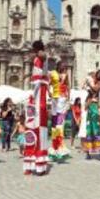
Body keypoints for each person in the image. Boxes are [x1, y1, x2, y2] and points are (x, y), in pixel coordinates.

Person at [23, 40, 50, 176]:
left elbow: (44, 58)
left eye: (34, 50)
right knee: (32, 125)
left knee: (39, 126)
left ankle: (39, 163)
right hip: (36, 94)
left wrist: (40, 52)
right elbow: (39, 71)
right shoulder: (37, 59)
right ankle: (32, 162)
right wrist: (29, 75)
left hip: (40, 94)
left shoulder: (41, 56)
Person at [49, 61, 71, 161]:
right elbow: (48, 83)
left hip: (62, 98)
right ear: (58, 66)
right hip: (54, 97)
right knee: (54, 120)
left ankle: (60, 146)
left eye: (64, 66)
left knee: (59, 121)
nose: (64, 67)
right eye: (62, 65)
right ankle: (54, 146)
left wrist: (68, 98)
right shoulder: (53, 73)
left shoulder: (65, 75)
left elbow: (68, 86)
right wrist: (49, 92)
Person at [83, 70, 100, 160]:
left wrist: (89, 84)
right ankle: (89, 152)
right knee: (89, 130)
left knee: (96, 130)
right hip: (91, 107)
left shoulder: (99, 83)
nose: (96, 76)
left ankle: (99, 152)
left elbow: (95, 89)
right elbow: (90, 93)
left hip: (95, 107)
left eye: (97, 75)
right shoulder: (95, 82)